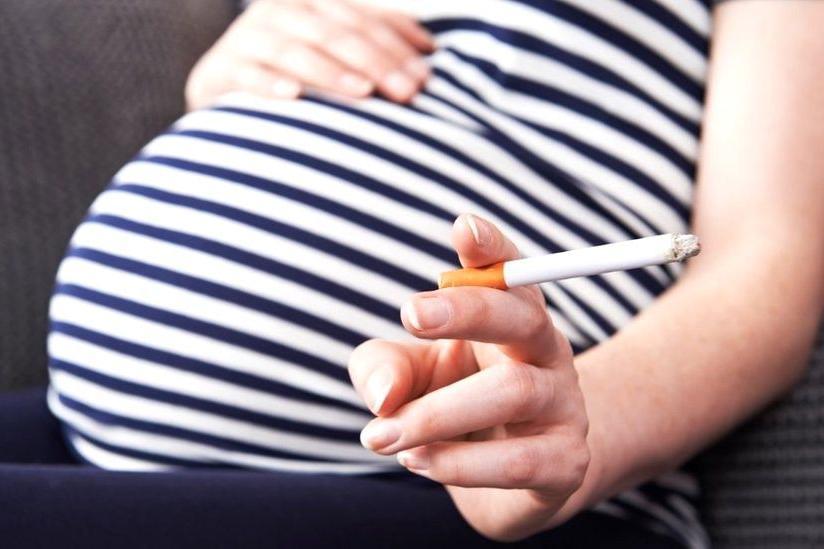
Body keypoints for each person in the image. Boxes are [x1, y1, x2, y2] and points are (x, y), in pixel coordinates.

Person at [46, 1, 824, 547]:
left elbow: (763, 272)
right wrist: (232, 75)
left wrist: (557, 436)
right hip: (94, 428)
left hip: (513, 500)